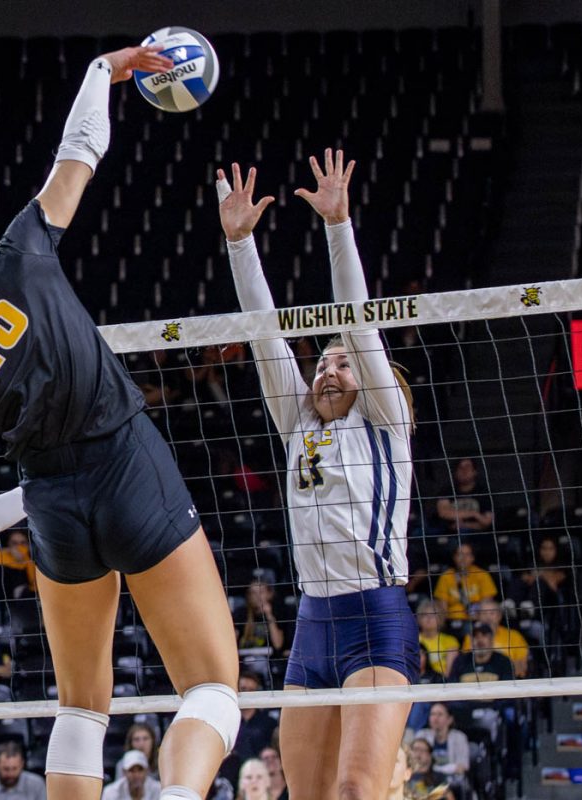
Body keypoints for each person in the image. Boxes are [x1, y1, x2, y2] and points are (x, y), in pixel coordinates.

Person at [0, 44, 240, 800]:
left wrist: (25, 502)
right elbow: (81, 151)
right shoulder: (18, 253)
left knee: (81, 706)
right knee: (212, 685)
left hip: (52, 505)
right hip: (126, 462)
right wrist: (106, 69)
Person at [217, 151, 418, 800]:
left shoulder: (385, 421)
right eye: (324, 364)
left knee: (360, 790)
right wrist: (240, 244)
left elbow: (356, 323)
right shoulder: (300, 422)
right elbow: (265, 335)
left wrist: (338, 226)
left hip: (375, 615)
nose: (330, 371)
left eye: (344, 364)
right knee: (306, 794)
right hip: (313, 623)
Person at [461, 598, 530, 678]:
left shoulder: (514, 636)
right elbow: (466, 665)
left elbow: (522, 666)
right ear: (478, 616)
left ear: (499, 616)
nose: (488, 617)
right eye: (484, 613)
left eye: (492, 613)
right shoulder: (471, 637)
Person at [434, 543, 498, 623]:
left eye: (467, 554)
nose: (463, 558)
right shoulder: (446, 577)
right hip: (451, 621)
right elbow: (442, 607)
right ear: (454, 557)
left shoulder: (482, 575)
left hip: (476, 620)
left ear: (472, 558)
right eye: (459, 554)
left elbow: (487, 604)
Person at [415, 703, 469, 797]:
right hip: (427, 779)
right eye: (432, 714)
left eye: (440, 714)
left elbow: (463, 766)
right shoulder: (422, 735)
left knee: (444, 789)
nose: (435, 718)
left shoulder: (459, 737)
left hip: (451, 781)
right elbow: (415, 762)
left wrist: (440, 770)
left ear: (449, 719)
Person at [435, 458, 494, 536]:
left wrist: (466, 524)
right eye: (460, 467)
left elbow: (487, 521)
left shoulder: (484, 492)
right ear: (455, 472)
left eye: (468, 467)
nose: (464, 471)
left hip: (478, 535)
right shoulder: (447, 491)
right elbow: (443, 513)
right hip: (450, 534)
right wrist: (474, 514)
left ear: (474, 472)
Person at [0, 529, 37, 598]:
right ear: (8, 543)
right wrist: (9, 552)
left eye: (23, 543)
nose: (19, 546)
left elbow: (33, 581)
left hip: (15, 589)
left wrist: (23, 559)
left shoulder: (31, 560)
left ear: (28, 545)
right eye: (14, 543)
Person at [448, 623, 515, 683]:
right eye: (475, 636)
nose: (479, 640)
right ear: (471, 641)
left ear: (491, 639)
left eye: (484, 635)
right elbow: (452, 687)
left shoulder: (504, 662)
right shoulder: (460, 661)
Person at [235, 578, 285, 653]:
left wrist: (269, 615)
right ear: (249, 596)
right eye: (253, 593)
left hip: (270, 659)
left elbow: (278, 645)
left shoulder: (278, 612)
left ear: (270, 594)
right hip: (244, 658)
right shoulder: (240, 613)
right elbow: (232, 642)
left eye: (261, 592)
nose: (257, 596)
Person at [417, 598, 460, 678]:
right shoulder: (413, 641)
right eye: (425, 615)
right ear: (419, 618)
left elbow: (450, 673)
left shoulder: (450, 641)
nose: (429, 619)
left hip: (442, 683)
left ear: (440, 619)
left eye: (433, 615)